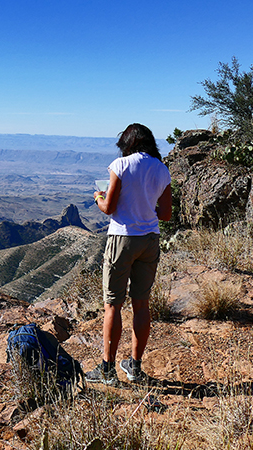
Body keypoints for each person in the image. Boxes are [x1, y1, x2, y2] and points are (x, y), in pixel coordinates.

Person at [85, 123, 172, 385]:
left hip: (122, 239)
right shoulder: (161, 168)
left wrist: (98, 198)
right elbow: (166, 214)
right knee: (141, 305)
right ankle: (134, 367)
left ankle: (107, 370)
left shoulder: (120, 166)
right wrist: (144, 210)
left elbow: (109, 207)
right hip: (150, 240)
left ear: (127, 143)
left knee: (113, 304)